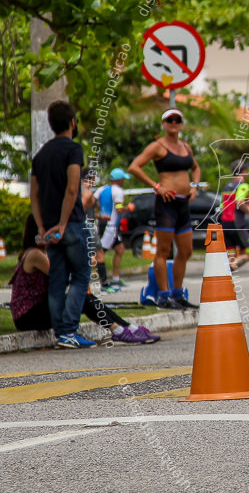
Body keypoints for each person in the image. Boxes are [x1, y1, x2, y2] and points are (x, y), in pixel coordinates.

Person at [11, 216, 157, 343]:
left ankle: (127, 328)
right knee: (83, 299)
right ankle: (118, 331)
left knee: (86, 298)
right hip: (27, 315)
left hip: (39, 308)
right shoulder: (35, 255)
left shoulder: (41, 252)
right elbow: (61, 276)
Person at [29, 101, 95, 349]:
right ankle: (69, 330)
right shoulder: (73, 150)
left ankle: (60, 333)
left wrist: (42, 227)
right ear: (72, 123)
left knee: (57, 277)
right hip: (72, 224)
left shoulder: (40, 155)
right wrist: (63, 224)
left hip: (49, 229)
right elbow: (72, 189)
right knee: (80, 276)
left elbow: (34, 195)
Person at [127, 108, 201, 310]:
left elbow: (195, 167)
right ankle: (163, 295)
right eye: (170, 120)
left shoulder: (185, 146)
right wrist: (157, 186)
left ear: (181, 124)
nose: (174, 123)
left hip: (183, 203)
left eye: (177, 120)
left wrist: (195, 186)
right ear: (164, 124)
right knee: (163, 251)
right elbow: (134, 167)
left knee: (186, 251)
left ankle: (177, 294)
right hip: (166, 204)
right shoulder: (157, 146)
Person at [95, 167, 130, 292]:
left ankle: (116, 278)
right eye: (123, 179)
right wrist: (129, 208)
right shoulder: (118, 191)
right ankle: (101, 283)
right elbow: (119, 207)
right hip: (110, 226)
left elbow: (93, 202)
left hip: (105, 223)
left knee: (120, 249)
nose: (123, 181)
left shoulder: (102, 189)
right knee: (100, 253)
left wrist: (99, 212)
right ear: (119, 180)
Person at [221, 160, 249, 271]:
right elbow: (239, 202)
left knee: (231, 253)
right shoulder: (243, 185)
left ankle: (228, 272)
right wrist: (248, 210)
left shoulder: (226, 186)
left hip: (225, 223)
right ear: (244, 172)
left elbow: (222, 206)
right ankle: (230, 268)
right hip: (236, 223)